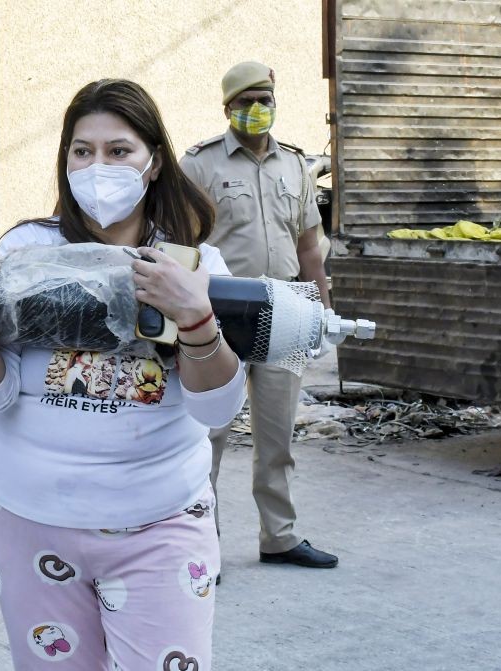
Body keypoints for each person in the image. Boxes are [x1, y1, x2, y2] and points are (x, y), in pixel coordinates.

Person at [0, 78, 245, 670]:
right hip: (30, 525)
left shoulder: (193, 265)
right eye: (83, 151)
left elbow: (216, 411)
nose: (97, 165)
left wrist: (197, 317)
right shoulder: (26, 251)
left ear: (153, 163)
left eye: (118, 150)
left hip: (160, 524)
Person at [180, 61, 339, 572]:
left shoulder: (295, 165)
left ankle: (280, 537)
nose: (257, 110)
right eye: (246, 101)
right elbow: (180, 244)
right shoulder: (199, 166)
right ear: (227, 109)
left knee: (278, 435)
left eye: (265, 99)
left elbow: (310, 246)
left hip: (288, 309)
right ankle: (203, 544)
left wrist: (322, 310)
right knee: (209, 437)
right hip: (222, 312)